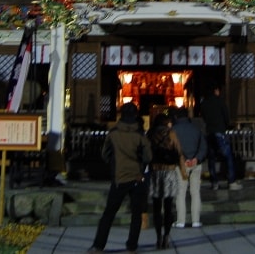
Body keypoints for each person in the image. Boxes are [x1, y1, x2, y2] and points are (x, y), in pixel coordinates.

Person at [88, 102, 152, 254]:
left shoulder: (113, 133)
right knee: (136, 214)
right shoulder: (140, 135)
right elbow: (148, 157)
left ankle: (98, 245)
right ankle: (132, 246)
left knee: (109, 214)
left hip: (119, 177)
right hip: (137, 177)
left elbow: (105, 154)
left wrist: (115, 162)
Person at [147, 111, 186, 250]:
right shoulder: (171, 134)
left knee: (157, 207)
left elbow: (147, 153)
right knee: (168, 206)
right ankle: (166, 236)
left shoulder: (150, 134)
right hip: (169, 171)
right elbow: (179, 151)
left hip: (156, 171)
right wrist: (183, 172)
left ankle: (158, 236)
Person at [170, 107, 207, 228]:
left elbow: (172, 148)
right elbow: (203, 146)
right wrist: (196, 158)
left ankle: (181, 221)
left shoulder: (174, 130)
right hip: (195, 163)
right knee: (195, 192)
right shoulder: (196, 129)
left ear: (176, 117)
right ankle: (196, 220)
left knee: (181, 192)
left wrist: (183, 159)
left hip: (181, 164)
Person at [200, 85, 242, 190]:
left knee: (212, 158)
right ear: (215, 90)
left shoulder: (204, 103)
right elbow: (226, 116)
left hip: (209, 132)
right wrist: (226, 125)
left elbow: (204, 117)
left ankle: (214, 182)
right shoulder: (220, 101)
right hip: (220, 131)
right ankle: (231, 181)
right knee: (228, 156)